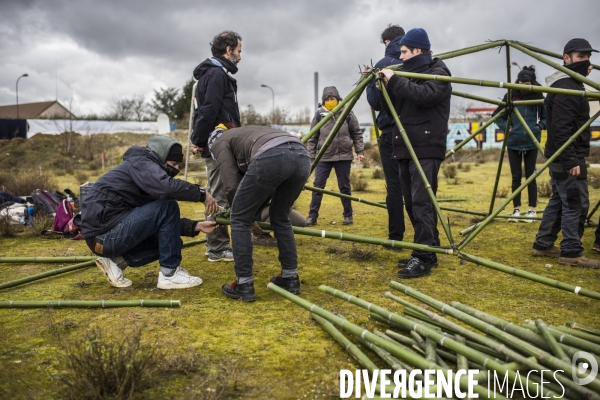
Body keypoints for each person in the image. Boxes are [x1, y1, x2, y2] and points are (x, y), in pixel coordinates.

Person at [80, 136, 219, 289]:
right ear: (161, 157)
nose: (177, 169)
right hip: (103, 236)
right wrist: (201, 194)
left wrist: (195, 226)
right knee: (168, 205)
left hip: (104, 237)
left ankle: (116, 261)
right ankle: (170, 274)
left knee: (172, 243)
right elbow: (166, 189)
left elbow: (160, 220)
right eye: (173, 164)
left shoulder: (145, 174)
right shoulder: (142, 163)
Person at [378, 28, 452, 278]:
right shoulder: (407, 74)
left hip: (425, 146)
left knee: (422, 202)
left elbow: (425, 96)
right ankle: (428, 251)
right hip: (406, 146)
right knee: (412, 202)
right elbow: (396, 108)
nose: (401, 57)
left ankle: (422, 257)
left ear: (419, 51)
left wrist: (396, 80)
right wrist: (383, 86)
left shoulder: (437, 72)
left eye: (405, 52)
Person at [208, 126, 311, 302]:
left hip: (272, 156)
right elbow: (259, 186)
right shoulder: (247, 133)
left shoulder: (218, 142)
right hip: (301, 156)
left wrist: (245, 215)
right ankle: (290, 278)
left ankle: (244, 284)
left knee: (239, 220)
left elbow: (231, 185)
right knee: (281, 217)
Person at [532, 38, 600, 268]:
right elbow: (561, 128)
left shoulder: (567, 83)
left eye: (588, 57)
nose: (586, 61)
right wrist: (571, 159)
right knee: (575, 203)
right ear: (566, 58)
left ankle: (543, 243)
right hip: (567, 156)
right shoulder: (567, 87)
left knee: (560, 201)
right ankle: (571, 252)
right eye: (580, 57)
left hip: (562, 154)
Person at [191, 30, 243, 262]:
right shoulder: (216, 75)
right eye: (239, 51)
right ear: (228, 50)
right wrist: (199, 140)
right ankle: (217, 248)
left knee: (222, 192)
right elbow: (209, 110)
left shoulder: (216, 74)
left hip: (220, 141)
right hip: (217, 144)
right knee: (219, 194)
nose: (240, 57)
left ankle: (220, 244)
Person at [365, 24, 406, 250]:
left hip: (390, 130)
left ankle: (396, 237)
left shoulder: (383, 64)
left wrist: (368, 84)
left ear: (387, 42)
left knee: (394, 185)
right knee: (417, 184)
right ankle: (427, 239)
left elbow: (374, 102)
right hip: (413, 130)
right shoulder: (416, 59)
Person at [492, 66, 546, 223]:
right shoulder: (511, 95)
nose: (522, 85)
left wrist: (539, 127)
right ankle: (516, 210)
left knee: (531, 176)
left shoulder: (538, 95)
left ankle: (532, 211)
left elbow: (546, 116)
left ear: (531, 82)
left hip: (532, 141)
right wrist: (508, 128)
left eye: (526, 82)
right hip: (513, 142)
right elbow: (497, 115)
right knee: (516, 177)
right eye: (520, 82)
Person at [305, 86, 364, 226]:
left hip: (344, 157)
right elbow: (312, 138)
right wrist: (311, 157)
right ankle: (312, 216)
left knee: (344, 187)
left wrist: (360, 151)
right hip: (323, 157)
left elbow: (356, 133)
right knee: (318, 186)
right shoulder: (319, 115)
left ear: (338, 99)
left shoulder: (347, 113)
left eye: (333, 99)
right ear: (323, 101)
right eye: (327, 99)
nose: (330, 101)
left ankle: (348, 215)